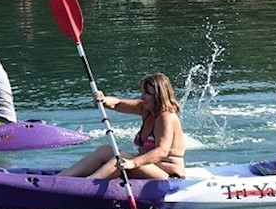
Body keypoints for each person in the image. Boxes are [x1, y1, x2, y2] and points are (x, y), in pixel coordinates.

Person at [58, 73, 187, 179]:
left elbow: (161, 152)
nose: (143, 97)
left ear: (159, 95)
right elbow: (118, 103)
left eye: (147, 94)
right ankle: (59, 178)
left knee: (121, 158)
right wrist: (103, 100)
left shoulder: (166, 117)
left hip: (168, 176)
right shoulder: (146, 110)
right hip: (148, 167)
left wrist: (132, 163)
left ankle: (85, 185)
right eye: (142, 92)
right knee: (106, 150)